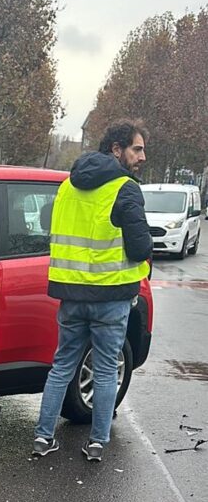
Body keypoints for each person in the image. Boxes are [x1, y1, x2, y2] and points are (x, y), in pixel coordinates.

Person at [33, 120, 153, 461]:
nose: (142, 156)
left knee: (61, 366)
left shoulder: (68, 186)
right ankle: (97, 442)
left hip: (71, 295)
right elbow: (139, 246)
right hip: (111, 297)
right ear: (117, 149)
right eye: (137, 149)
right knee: (104, 369)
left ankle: (43, 438)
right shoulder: (125, 188)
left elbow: (48, 225)